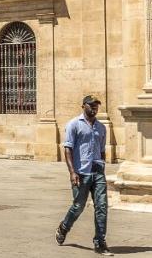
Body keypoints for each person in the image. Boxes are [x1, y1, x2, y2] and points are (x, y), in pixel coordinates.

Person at [55, 95, 111, 255]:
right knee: (78, 206)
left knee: (101, 207)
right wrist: (72, 172)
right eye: (91, 105)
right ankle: (64, 227)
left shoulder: (101, 127)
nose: (94, 108)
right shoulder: (74, 124)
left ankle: (100, 242)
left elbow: (101, 150)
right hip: (81, 172)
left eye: (96, 106)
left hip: (98, 172)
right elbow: (68, 149)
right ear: (83, 106)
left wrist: (102, 167)